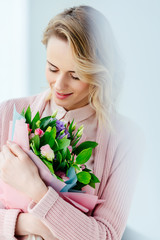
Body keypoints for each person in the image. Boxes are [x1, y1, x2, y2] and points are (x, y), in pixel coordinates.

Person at [0, 5, 144, 240]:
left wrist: (36, 189)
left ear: (99, 74)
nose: (59, 84)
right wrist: (29, 223)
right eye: (52, 68)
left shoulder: (126, 138)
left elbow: (106, 236)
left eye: (75, 75)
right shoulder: (8, 112)